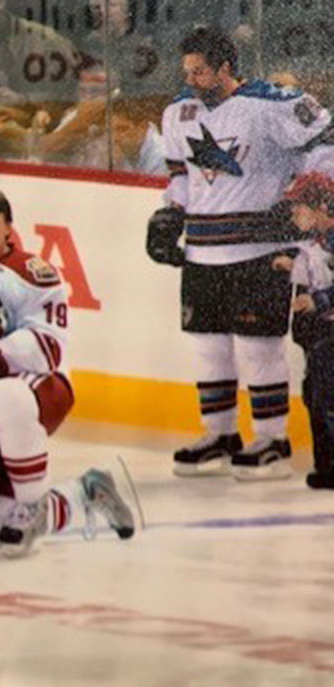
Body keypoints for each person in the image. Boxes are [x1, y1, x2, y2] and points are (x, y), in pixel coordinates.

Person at [149, 27, 333, 480]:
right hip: (202, 252)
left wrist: (305, 196)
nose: (190, 78)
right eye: (187, 70)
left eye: (200, 71)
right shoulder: (179, 112)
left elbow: (326, 143)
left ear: (225, 68)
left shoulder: (273, 104)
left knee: (258, 348)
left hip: (261, 252)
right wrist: (171, 214)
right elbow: (180, 172)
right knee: (209, 348)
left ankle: (271, 437)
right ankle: (220, 433)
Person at [0, 186, 134, 555]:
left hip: (41, 384)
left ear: (8, 228)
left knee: (5, 394)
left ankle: (31, 502)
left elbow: (48, 347)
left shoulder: (33, 274)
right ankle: (85, 492)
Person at [276, 173, 334, 490]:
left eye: (299, 209)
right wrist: (292, 267)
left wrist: (318, 300)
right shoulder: (314, 242)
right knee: (316, 394)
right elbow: (315, 271)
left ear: (319, 208)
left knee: (325, 397)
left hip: (328, 333)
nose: (293, 215)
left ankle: (329, 464)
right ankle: (325, 464)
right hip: (320, 334)